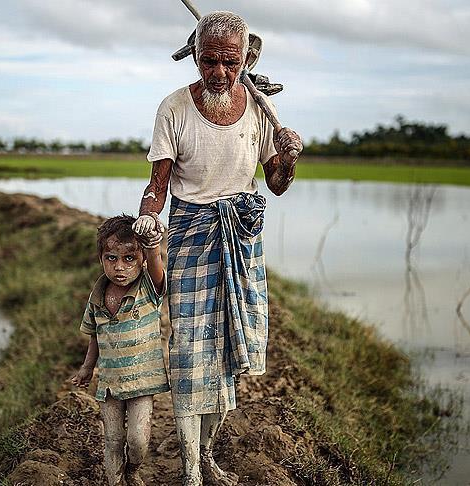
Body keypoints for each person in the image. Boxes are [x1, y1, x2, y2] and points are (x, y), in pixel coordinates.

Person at [132, 10, 303, 486]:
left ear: (246, 58)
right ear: (195, 56)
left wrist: (288, 157)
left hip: (241, 236)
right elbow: (157, 184)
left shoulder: (259, 109)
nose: (219, 73)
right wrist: (147, 216)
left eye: (230, 63)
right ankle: (189, 473)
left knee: (230, 353)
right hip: (190, 234)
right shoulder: (174, 108)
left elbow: (277, 185)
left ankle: (206, 454)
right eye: (209, 61)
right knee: (189, 352)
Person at [71, 215, 170, 486]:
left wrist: (152, 245)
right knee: (112, 441)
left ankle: (132, 470)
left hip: (143, 383)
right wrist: (87, 368)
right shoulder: (97, 296)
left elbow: (157, 266)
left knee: (138, 441)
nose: (119, 267)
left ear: (140, 261)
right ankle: (115, 481)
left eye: (129, 259)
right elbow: (95, 336)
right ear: (101, 258)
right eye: (111, 258)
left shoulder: (149, 289)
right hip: (110, 385)